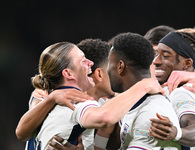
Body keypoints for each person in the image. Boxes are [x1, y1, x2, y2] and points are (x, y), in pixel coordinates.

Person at [18, 41, 163, 150]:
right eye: (83, 60)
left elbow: (22, 133)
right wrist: (144, 85)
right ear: (68, 73)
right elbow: (104, 117)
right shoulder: (77, 102)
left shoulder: (45, 97)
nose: (90, 63)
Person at [150, 28, 195, 149]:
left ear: (187, 64)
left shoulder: (181, 92)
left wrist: (176, 133)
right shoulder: (164, 92)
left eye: (165, 56)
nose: (155, 61)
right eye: (156, 55)